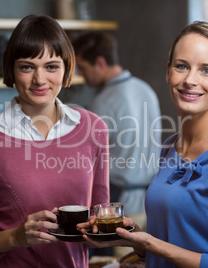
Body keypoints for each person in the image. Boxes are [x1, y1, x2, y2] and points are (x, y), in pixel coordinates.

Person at [79, 21, 208, 268]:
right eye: (182, 66)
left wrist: (150, 244)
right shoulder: (169, 148)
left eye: (206, 70)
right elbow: (169, 244)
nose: (190, 79)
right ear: (168, 72)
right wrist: (133, 237)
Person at [0, 15, 109, 267]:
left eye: (51, 66)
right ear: (11, 70)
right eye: (27, 67)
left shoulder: (94, 129)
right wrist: (14, 238)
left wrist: (114, 230)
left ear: (67, 68)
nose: (40, 80)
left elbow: (98, 222)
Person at [72, 32, 162, 248]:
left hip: (120, 211)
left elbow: (86, 162)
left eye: (83, 68)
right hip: (153, 204)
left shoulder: (103, 102)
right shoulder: (146, 89)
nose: (82, 76)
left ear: (100, 63)